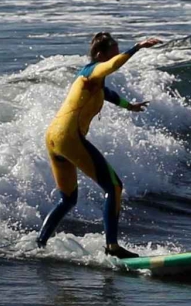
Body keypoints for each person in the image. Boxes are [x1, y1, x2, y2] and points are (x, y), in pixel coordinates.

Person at [37, 31, 162, 257]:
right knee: (114, 187)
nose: (116, 51)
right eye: (112, 48)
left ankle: (40, 244)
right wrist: (137, 47)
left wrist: (129, 106)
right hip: (69, 137)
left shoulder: (93, 81)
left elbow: (107, 94)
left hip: (54, 138)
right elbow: (112, 65)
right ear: (99, 54)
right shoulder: (92, 70)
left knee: (68, 199)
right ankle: (112, 247)